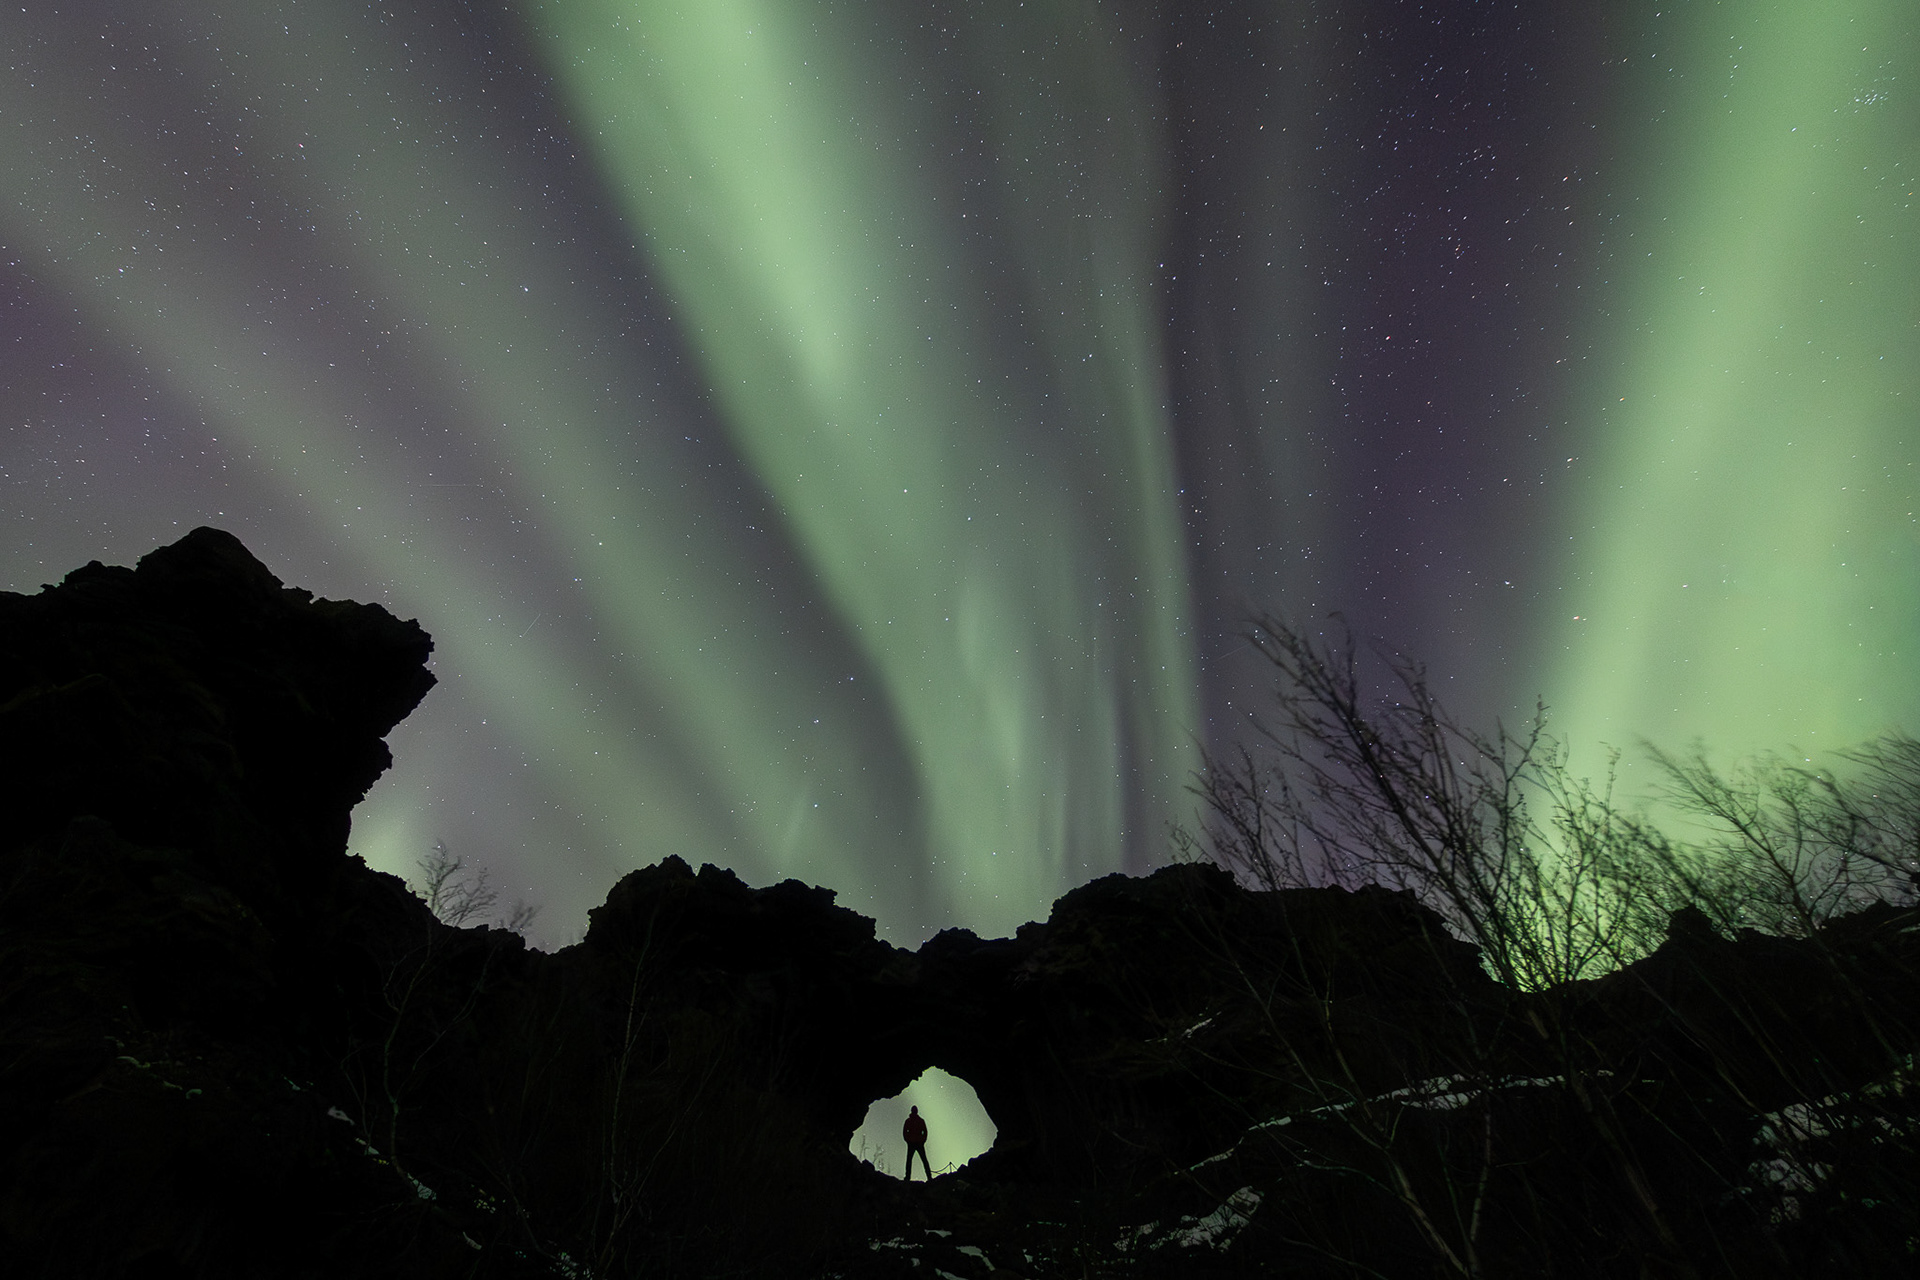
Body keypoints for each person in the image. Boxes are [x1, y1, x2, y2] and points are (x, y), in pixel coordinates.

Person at [902, 1105, 931, 1181]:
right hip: (916, 1143)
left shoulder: (910, 1121)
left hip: (915, 1143)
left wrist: (908, 1140)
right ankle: (929, 1177)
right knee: (923, 1160)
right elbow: (924, 1132)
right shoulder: (919, 1121)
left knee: (911, 1161)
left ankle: (908, 1177)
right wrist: (922, 1140)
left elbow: (905, 1132)